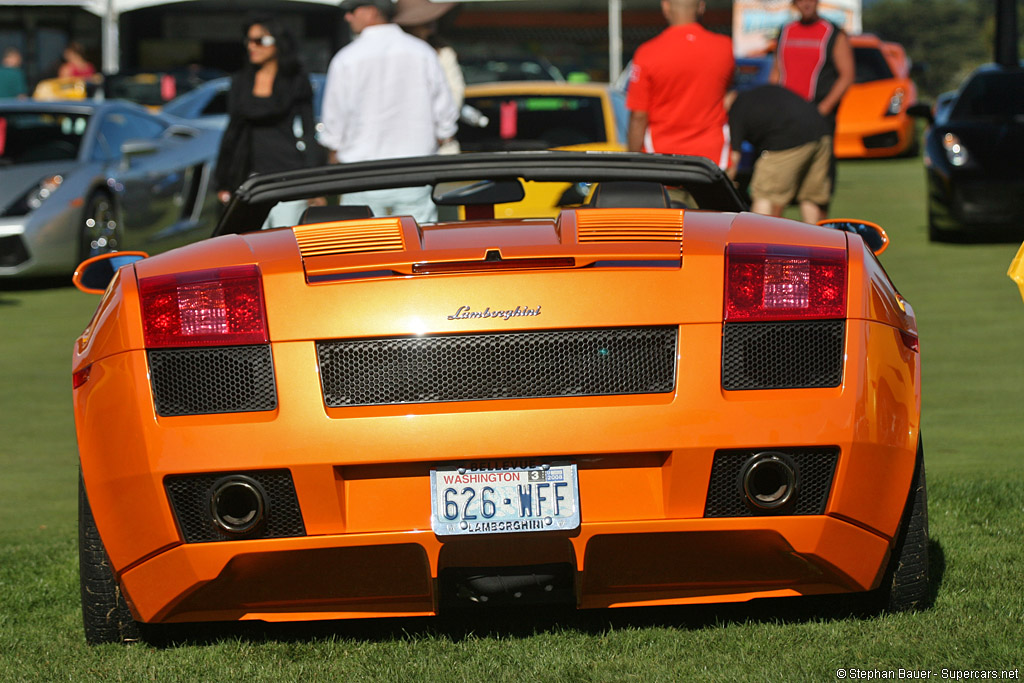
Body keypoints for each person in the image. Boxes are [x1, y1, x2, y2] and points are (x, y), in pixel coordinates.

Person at [320, 0, 459, 222]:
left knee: (363, 247)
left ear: (370, 12)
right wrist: (442, 135)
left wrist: (333, 151)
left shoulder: (347, 58)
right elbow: (445, 111)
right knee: (418, 244)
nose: (347, 17)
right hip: (415, 170)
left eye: (351, 11)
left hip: (361, 174)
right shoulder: (422, 52)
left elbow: (334, 119)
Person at [214, 15, 323, 228]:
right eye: (249, 40)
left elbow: (309, 132)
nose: (252, 46)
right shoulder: (240, 81)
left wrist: (314, 185)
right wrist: (223, 181)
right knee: (252, 248)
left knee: (286, 246)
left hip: (289, 176)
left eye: (260, 40)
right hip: (248, 179)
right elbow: (232, 133)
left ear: (279, 43)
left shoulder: (296, 80)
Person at [625, 0, 734, 169]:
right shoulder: (725, 47)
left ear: (665, 6)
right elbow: (727, 94)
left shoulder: (647, 53)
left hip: (662, 160)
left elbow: (638, 116)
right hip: (712, 161)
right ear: (701, 7)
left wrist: (631, 162)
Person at [726, 84, 833, 222]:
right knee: (811, 197)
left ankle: (757, 241)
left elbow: (734, 156)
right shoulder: (760, 92)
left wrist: (727, 183)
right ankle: (818, 240)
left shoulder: (736, 109)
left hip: (787, 139)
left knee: (765, 195)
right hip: (822, 132)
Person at [394, 0, 463, 154]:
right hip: (401, 142)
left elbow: (454, 94)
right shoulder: (396, 53)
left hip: (438, 143)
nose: (432, 22)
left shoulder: (442, 52)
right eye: (425, 20)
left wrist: (442, 131)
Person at [771, 0, 854, 127]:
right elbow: (776, 72)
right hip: (786, 112)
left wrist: (823, 109)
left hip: (817, 114)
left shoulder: (833, 33)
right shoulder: (785, 31)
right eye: (801, 1)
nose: (806, 4)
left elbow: (847, 76)